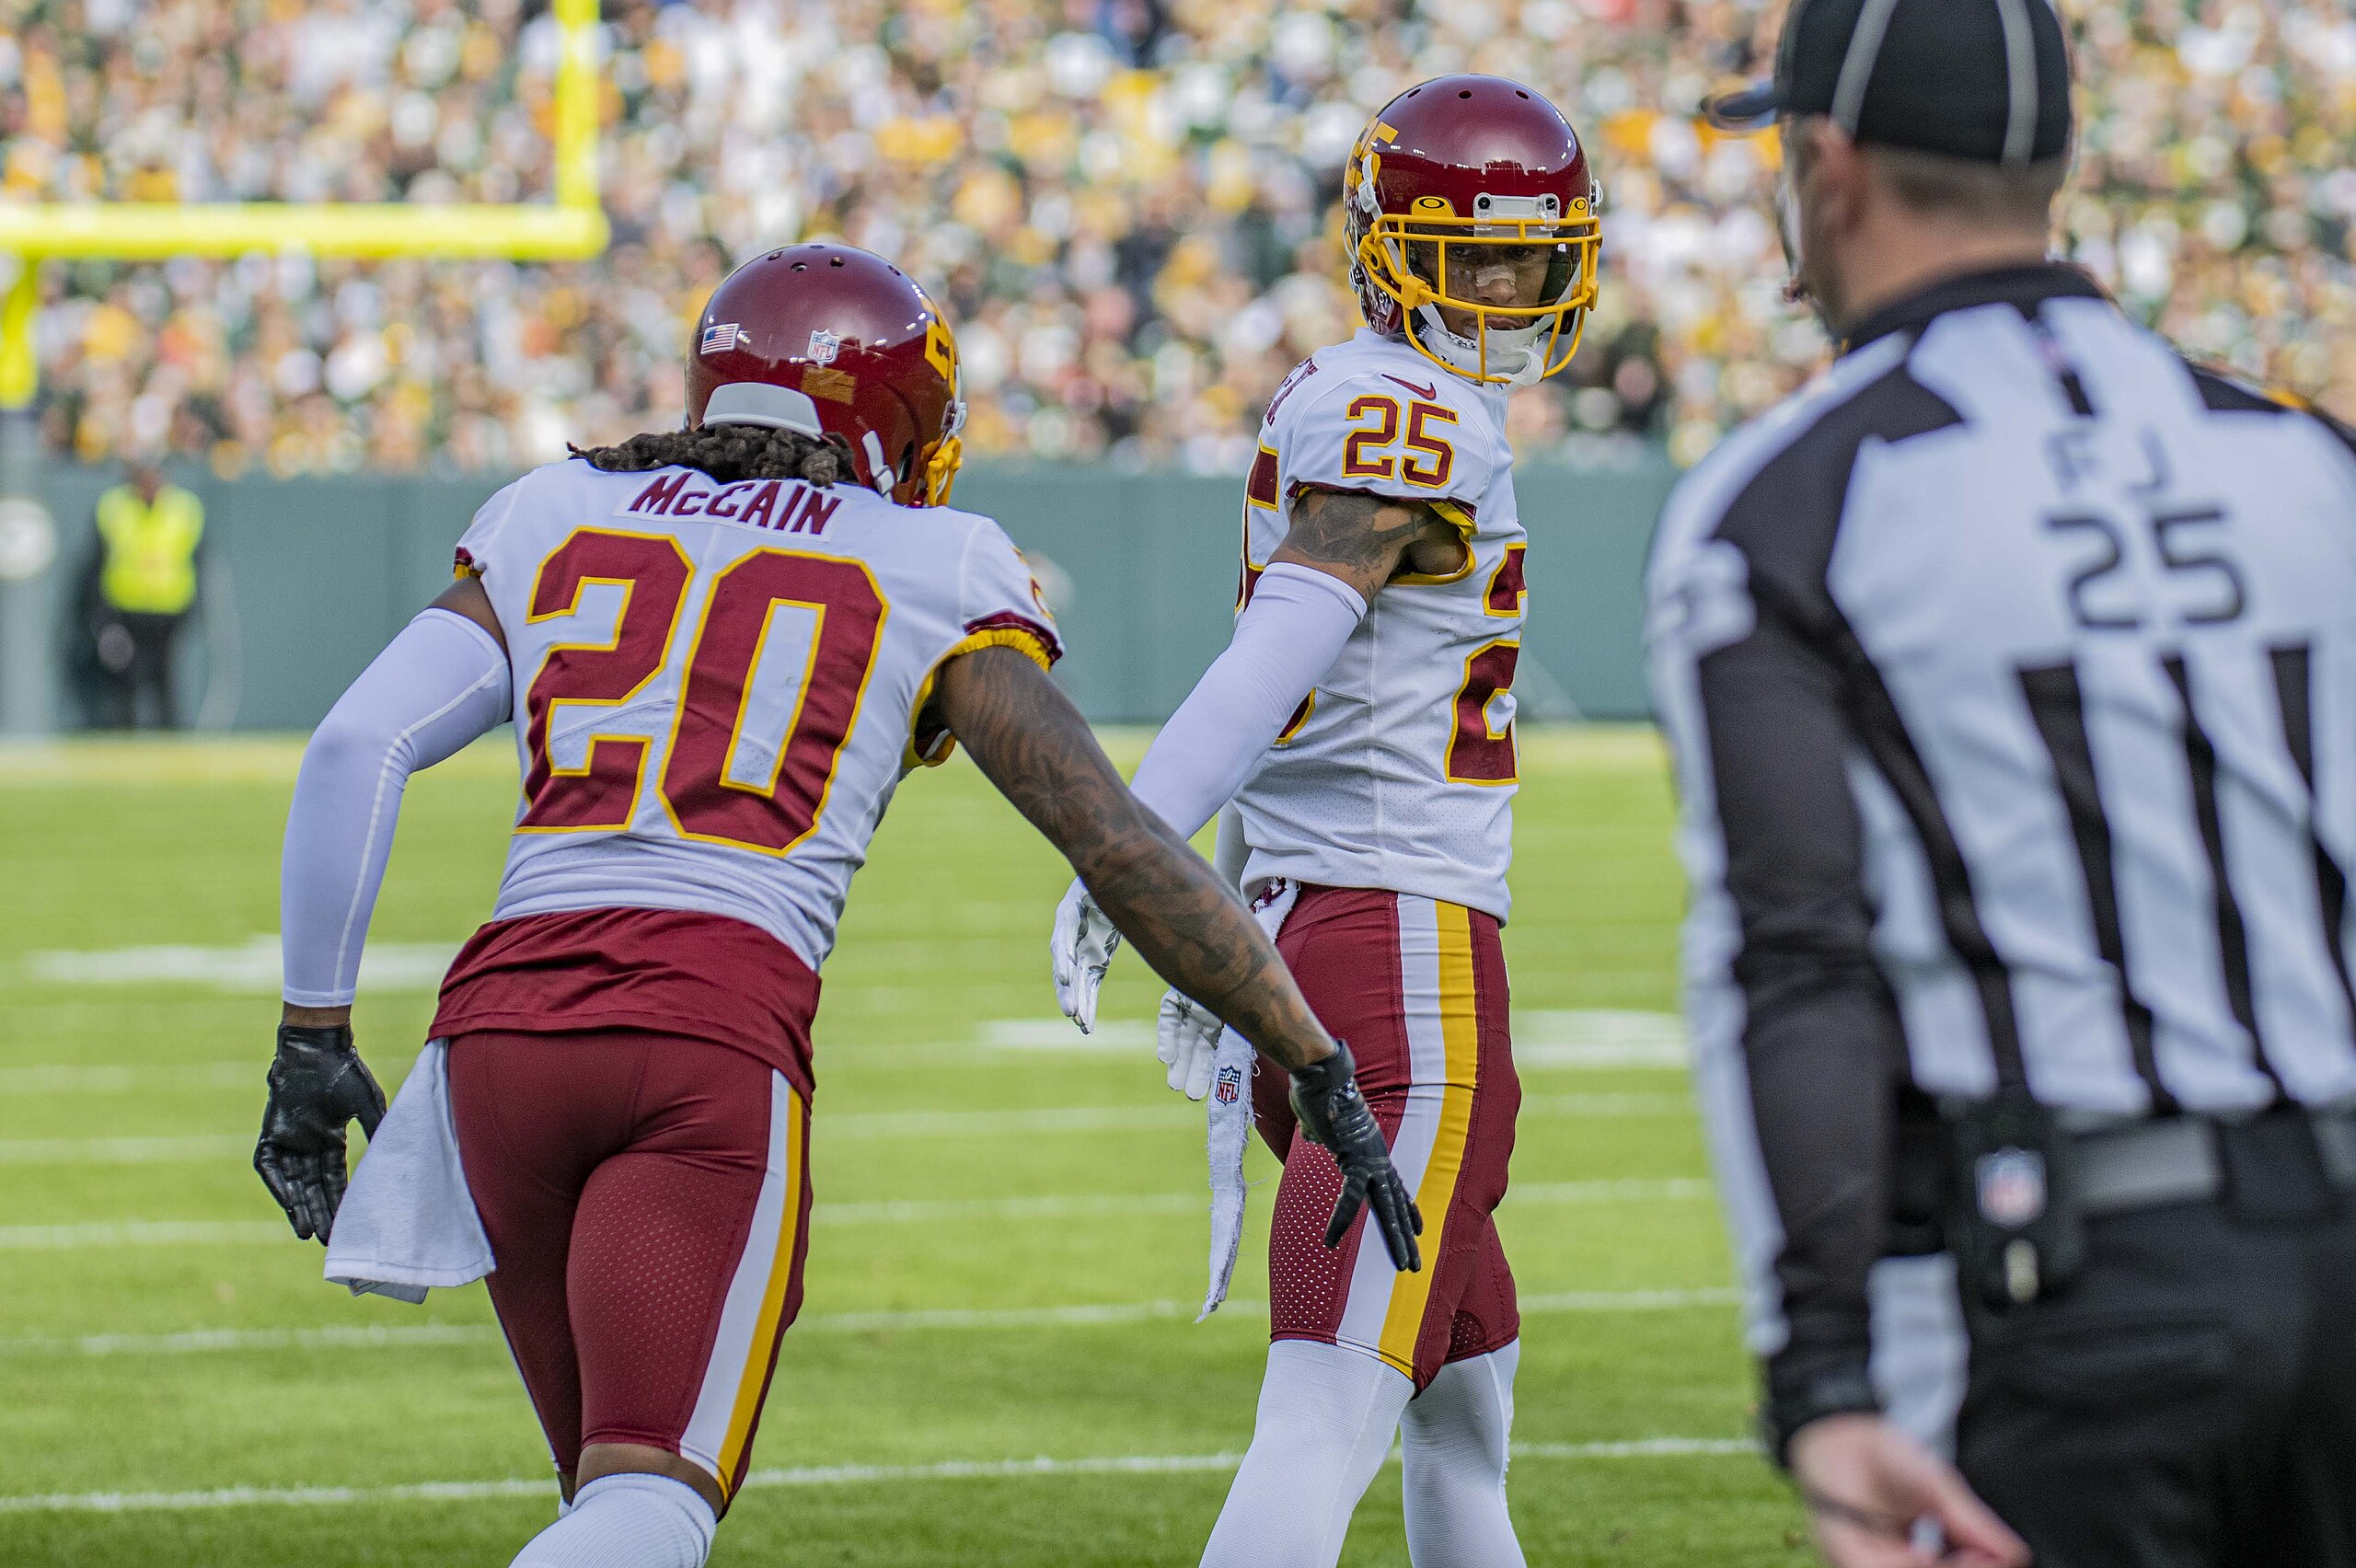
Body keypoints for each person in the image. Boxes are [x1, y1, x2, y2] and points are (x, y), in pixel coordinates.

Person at [252, 243, 1420, 1568]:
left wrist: (312, 1038)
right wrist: (1311, 1052)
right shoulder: (933, 559)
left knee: (609, 1499)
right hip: (699, 1042)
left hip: (496, 1045)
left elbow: (357, 745)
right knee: (650, 1504)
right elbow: (1117, 841)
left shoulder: (556, 506)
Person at [1652, 2, 2356, 1565]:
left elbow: (1798, 954)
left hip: (2080, 1293)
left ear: (1827, 167)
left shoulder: (1792, 501)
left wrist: (1822, 1373)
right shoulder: (2303, 456)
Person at [1046, 75, 1600, 1568]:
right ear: (1382, 242)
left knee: (1462, 1414)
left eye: (1523, 256)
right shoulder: (1408, 410)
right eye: (1463, 251)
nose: (1497, 286)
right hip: (1398, 967)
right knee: (1322, 1415)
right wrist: (1130, 844)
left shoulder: (1350, 388)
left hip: (1307, 938)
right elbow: (1284, 642)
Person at [87, 458, 203, 729]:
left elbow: (196, 558)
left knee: (165, 676)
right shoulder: (115, 507)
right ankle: (126, 733)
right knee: (126, 675)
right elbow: (99, 561)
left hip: (170, 606)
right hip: (126, 606)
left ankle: (169, 734)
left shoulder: (183, 508)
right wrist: (103, 614)